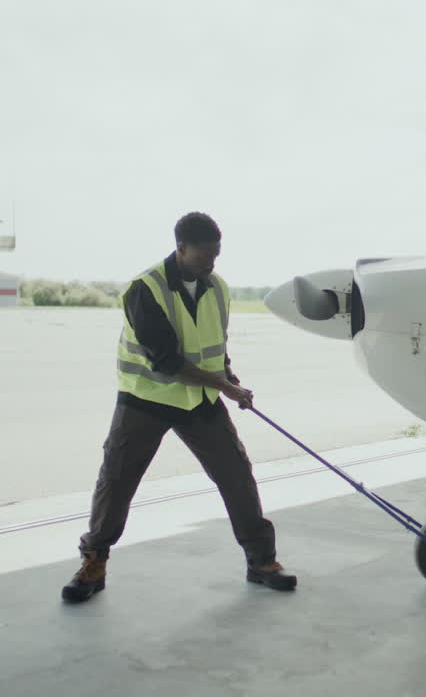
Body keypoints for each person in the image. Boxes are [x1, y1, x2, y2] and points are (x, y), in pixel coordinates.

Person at [61, 212, 296, 603]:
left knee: (237, 475)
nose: (211, 264)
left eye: (217, 256)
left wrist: (229, 379)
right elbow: (167, 360)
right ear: (181, 248)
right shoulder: (145, 289)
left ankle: (262, 561)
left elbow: (214, 346)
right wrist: (224, 387)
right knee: (116, 482)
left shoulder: (217, 287)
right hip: (145, 399)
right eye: (205, 255)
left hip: (199, 400)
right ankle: (93, 564)